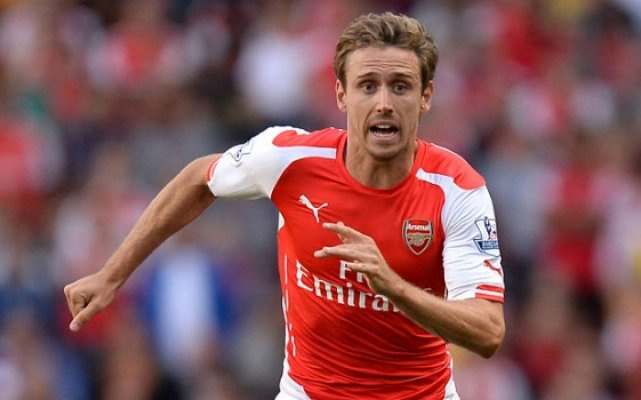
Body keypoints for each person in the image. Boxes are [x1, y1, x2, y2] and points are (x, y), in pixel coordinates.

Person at [64, 12, 505, 399]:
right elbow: (199, 178)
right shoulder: (289, 159)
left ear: (426, 96)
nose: (384, 104)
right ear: (341, 94)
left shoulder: (456, 190)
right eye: (367, 86)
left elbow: (487, 331)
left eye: (401, 87)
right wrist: (111, 275)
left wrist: (393, 286)